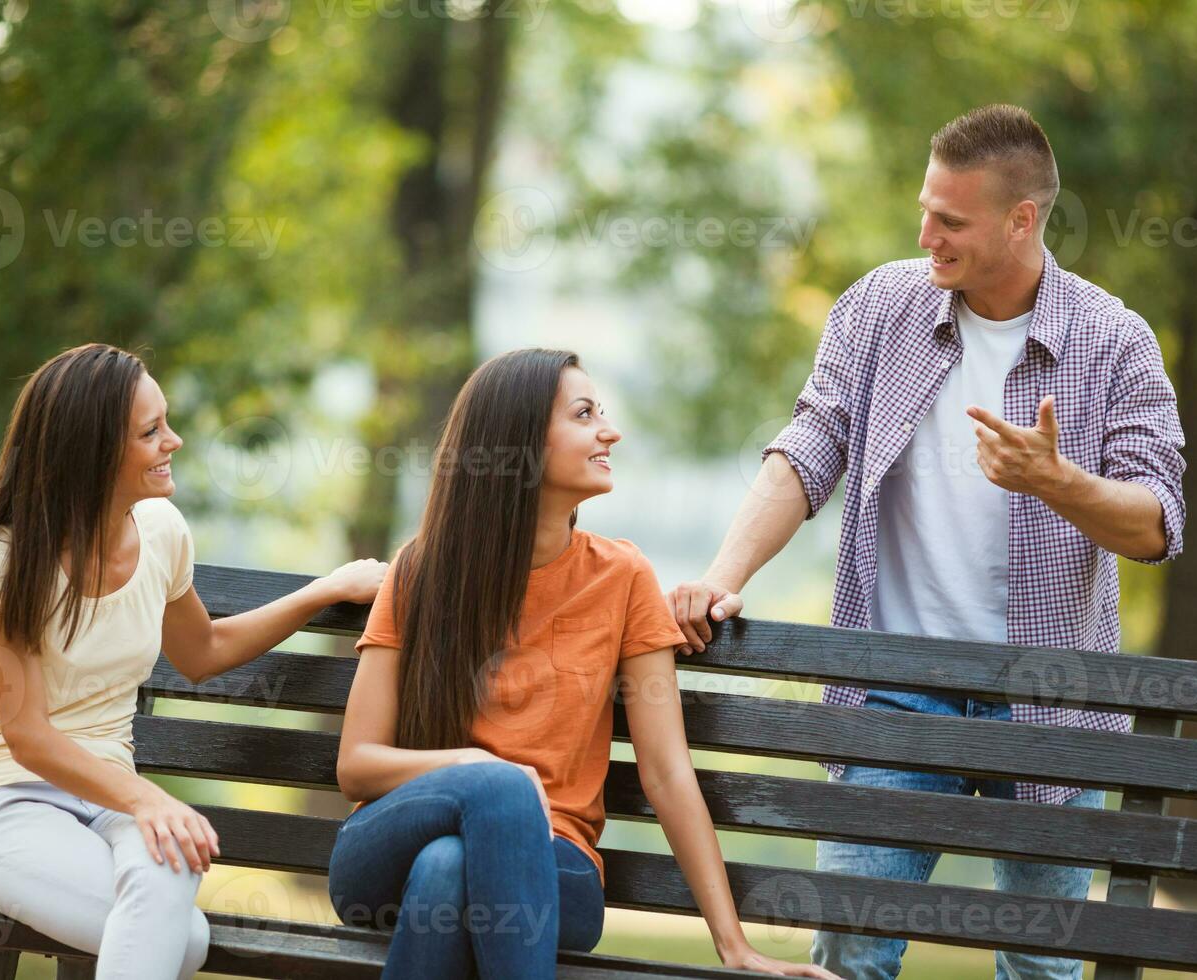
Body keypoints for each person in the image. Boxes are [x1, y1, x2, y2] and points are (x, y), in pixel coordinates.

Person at [668, 104, 1187, 980]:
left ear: (1022, 220)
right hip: (896, 694)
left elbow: (1158, 521)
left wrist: (1058, 483)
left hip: (1050, 698)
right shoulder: (882, 307)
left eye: (951, 219)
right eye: (925, 210)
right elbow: (811, 444)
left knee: (1041, 970)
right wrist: (723, 576)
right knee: (851, 950)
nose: (926, 234)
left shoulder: (1113, 340)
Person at [328, 347, 837, 979]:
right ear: (519, 443)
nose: (609, 430)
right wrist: (479, 768)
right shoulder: (423, 573)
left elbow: (667, 773)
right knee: (480, 809)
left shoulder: (622, 577)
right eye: (584, 413)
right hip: (384, 856)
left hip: (554, 866)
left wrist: (734, 946)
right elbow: (357, 766)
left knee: (446, 869)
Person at [0, 343, 387, 980]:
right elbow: (27, 735)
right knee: (181, 940)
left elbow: (202, 651)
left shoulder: (161, 532)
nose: (173, 441)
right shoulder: (8, 565)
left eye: (166, 422)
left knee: (172, 871)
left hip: (108, 802)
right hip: (1, 801)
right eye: (151, 432)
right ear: (93, 454)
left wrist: (323, 590)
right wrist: (150, 800)